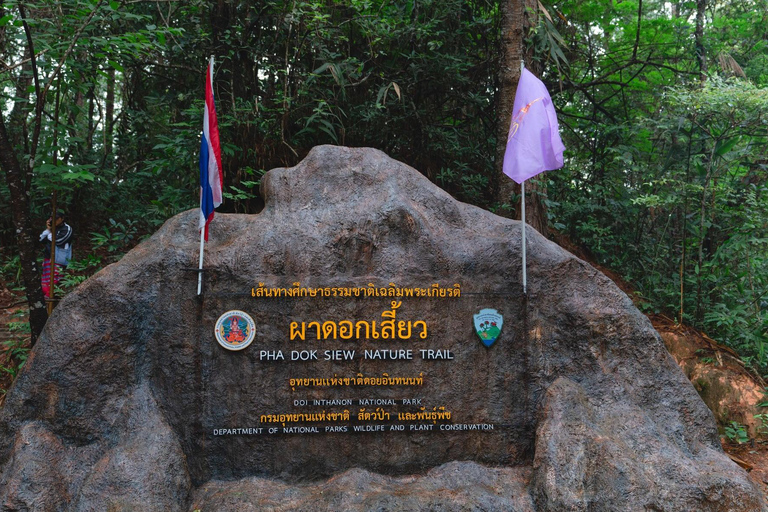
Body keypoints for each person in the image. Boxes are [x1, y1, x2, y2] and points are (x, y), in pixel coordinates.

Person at [40, 211, 73, 299]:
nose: (54, 220)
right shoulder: (52, 228)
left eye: (56, 218)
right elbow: (41, 239)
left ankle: (51, 299)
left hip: (59, 259)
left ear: (62, 219)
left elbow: (58, 241)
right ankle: (47, 298)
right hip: (48, 257)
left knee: (55, 279)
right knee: (45, 280)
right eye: (52, 218)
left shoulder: (66, 229)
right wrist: (48, 229)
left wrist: (51, 231)